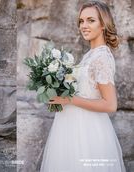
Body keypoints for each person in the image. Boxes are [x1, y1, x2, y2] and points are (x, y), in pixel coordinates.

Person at [40, 1, 126, 172]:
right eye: (81, 21)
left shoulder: (102, 57)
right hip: (71, 128)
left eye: (90, 20)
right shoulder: (90, 55)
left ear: (103, 24)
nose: (84, 25)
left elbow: (110, 105)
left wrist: (69, 99)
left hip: (87, 132)